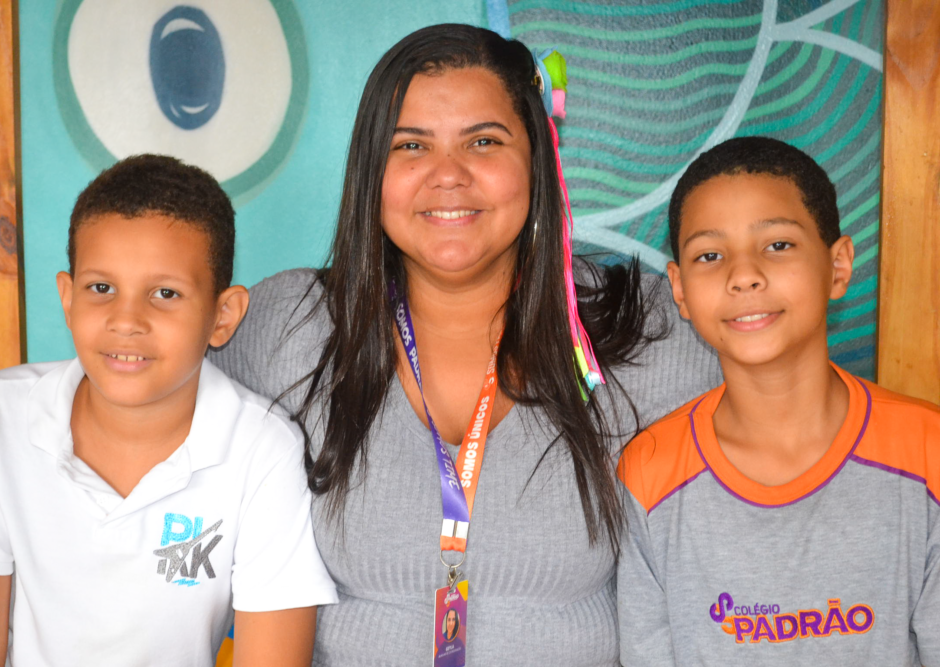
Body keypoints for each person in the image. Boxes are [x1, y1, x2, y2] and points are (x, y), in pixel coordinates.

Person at [210, 24, 720, 665]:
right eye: (411, 146)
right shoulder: (290, 326)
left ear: (537, 159)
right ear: (371, 172)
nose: (448, 175)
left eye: (483, 141)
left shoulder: (640, 328)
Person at [0, 155, 337, 666]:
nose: (126, 320)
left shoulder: (264, 449)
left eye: (165, 293)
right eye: (101, 288)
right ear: (67, 298)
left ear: (222, 316)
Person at [616, 137, 940, 665]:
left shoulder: (927, 454)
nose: (744, 275)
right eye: (710, 255)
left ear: (838, 265)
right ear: (679, 289)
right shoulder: (649, 472)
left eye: (778, 245)